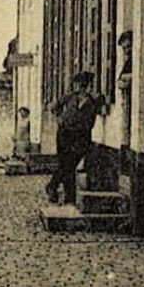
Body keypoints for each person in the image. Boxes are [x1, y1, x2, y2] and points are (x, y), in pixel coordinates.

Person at [47, 71, 105, 205]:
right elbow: (53, 107)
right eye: (78, 84)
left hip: (82, 137)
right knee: (67, 165)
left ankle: (52, 186)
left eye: (83, 85)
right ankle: (69, 198)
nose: (79, 87)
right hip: (64, 134)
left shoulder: (94, 100)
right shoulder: (69, 97)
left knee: (69, 164)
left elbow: (101, 110)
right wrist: (60, 119)